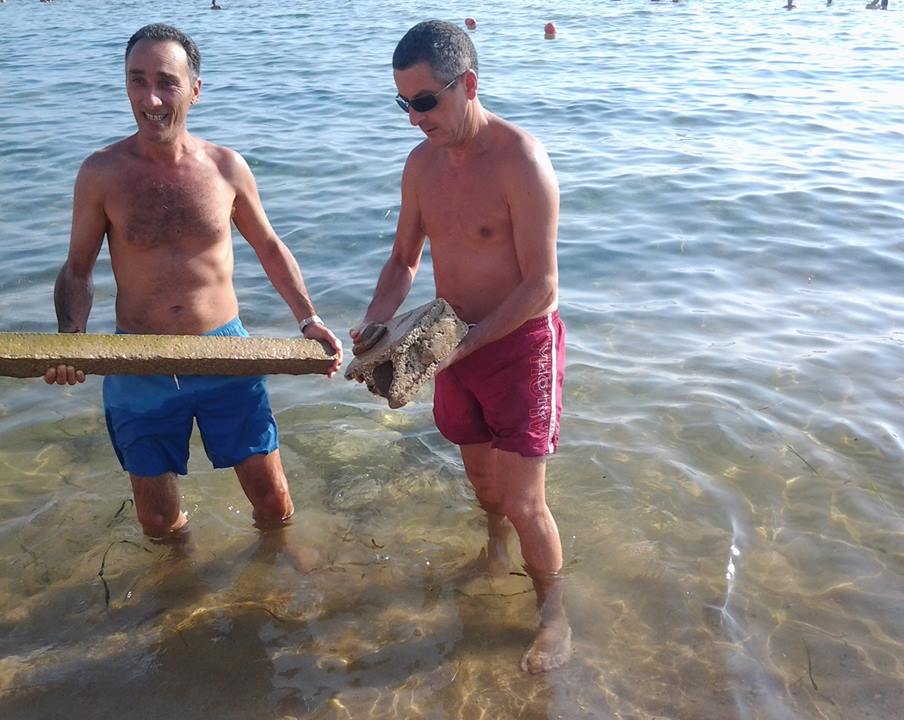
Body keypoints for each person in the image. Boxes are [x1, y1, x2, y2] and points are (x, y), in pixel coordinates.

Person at [46, 23, 342, 541]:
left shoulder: (226, 167)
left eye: (167, 82)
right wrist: (72, 339)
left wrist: (309, 319)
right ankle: (180, 603)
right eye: (137, 81)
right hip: (137, 360)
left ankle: (276, 585)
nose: (151, 98)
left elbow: (270, 247)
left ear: (196, 90)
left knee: (273, 502)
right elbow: (78, 269)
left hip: (226, 352)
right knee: (156, 522)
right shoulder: (101, 173)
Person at [352, 20, 570, 674]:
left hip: (517, 346)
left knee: (526, 497)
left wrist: (472, 342)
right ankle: (494, 550)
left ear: (467, 84)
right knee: (481, 480)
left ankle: (555, 615)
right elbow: (401, 261)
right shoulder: (420, 166)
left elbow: (542, 285)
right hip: (450, 344)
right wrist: (374, 327)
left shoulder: (520, 161)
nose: (415, 119)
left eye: (426, 102)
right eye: (404, 104)